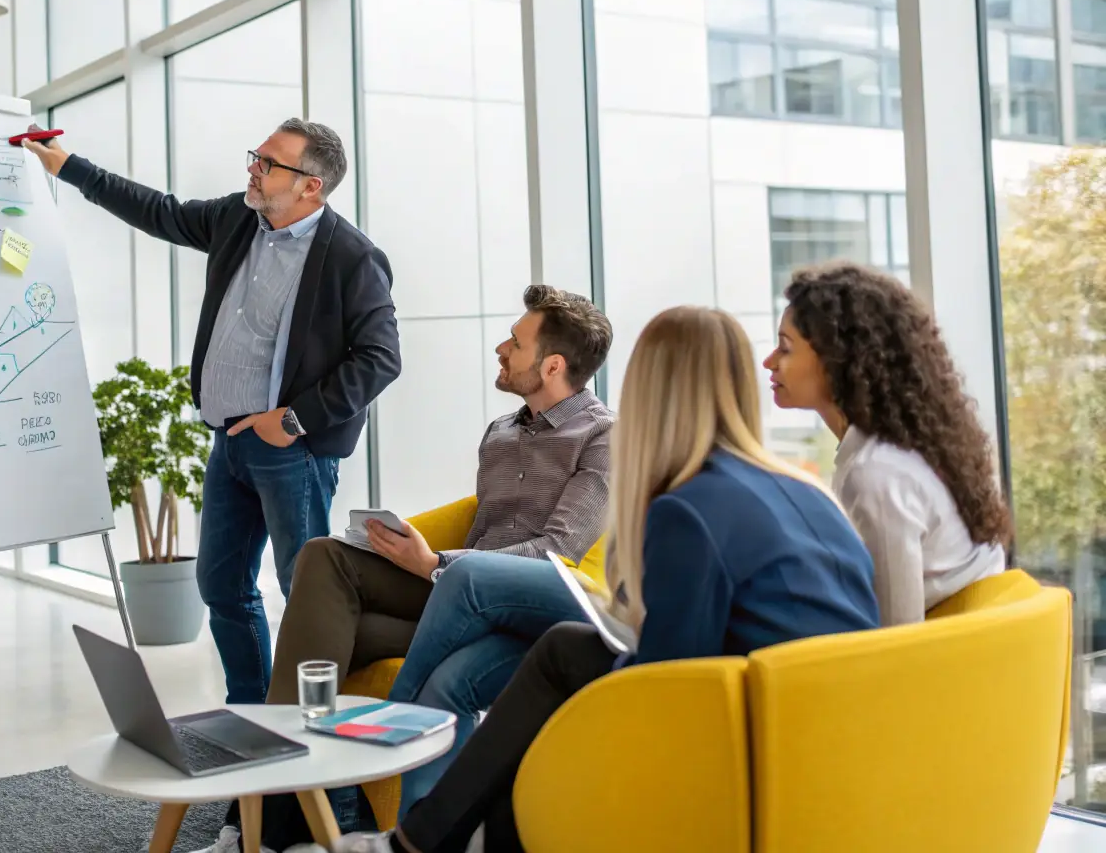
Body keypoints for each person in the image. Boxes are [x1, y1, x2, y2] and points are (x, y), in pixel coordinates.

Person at [334, 306, 881, 853]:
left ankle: (414, 831)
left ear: (648, 395)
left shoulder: (688, 510)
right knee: (511, 662)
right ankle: (421, 838)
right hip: (837, 738)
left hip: (746, 736)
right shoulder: (810, 494)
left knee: (547, 665)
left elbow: (663, 683)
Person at [205, 285, 613, 853]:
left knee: (337, 635)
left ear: (552, 365)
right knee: (324, 555)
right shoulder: (501, 431)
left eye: (516, 343)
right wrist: (411, 556)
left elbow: (558, 551)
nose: (501, 348)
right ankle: (307, 807)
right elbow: (482, 526)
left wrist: (435, 562)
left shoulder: (601, 437)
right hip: (450, 591)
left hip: (513, 604)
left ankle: (270, 818)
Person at [25, 120, 402, 703]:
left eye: (269, 162)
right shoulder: (236, 218)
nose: (253, 166)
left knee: (307, 596)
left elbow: (380, 359)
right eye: (257, 155)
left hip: (292, 451)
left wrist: (292, 420)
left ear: (311, 186)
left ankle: (318, 728)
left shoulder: (352, 256)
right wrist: (69, 167)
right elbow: (159, 212)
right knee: (221, 585)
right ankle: (251, 712)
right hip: (228, 442)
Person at [763, 261, 1012, 626]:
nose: (769, 362)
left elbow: (896, 636)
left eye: (785, 348)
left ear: (836, 359)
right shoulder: (908, 451)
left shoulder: (876, 474)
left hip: (942, 656)